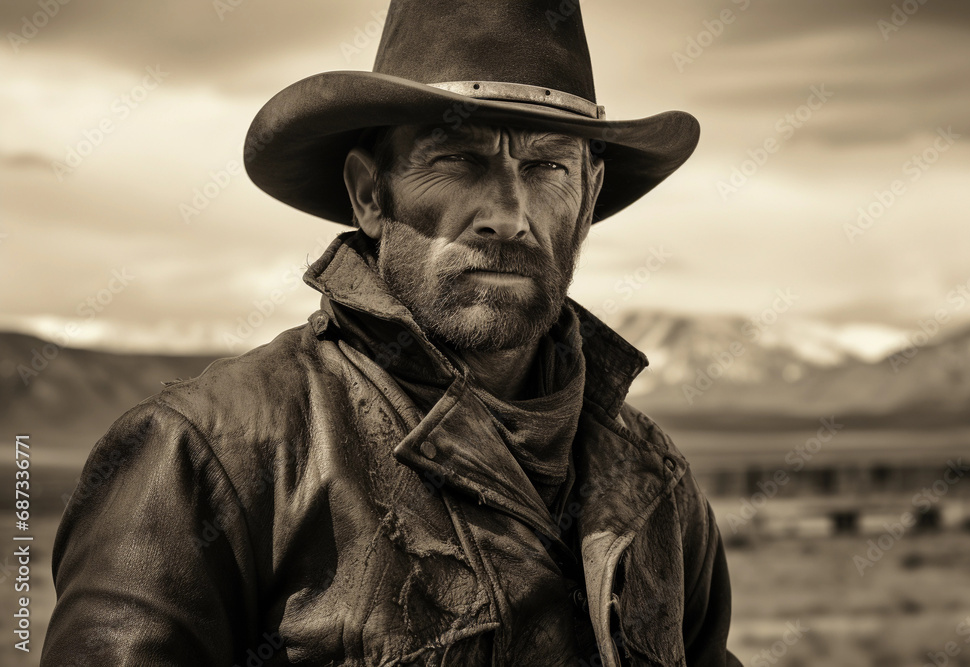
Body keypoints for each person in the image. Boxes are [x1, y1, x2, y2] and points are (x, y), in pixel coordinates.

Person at [42, 1, 742, 665]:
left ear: (587, 201)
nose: (507, 212)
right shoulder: (205, 457)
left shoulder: (655, 484)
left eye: (545, 166)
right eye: (458, 158)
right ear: (370, 194)